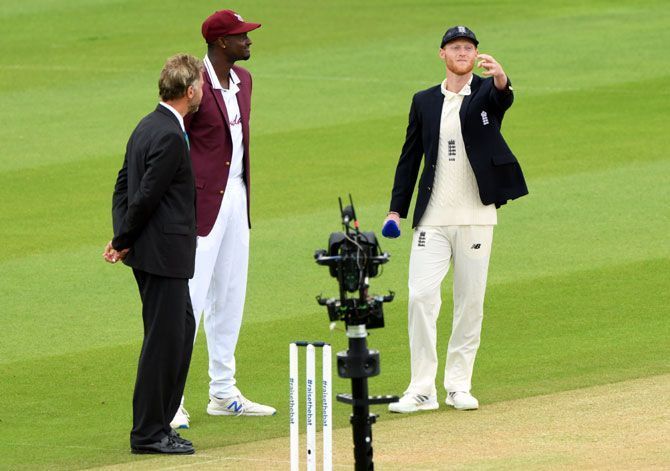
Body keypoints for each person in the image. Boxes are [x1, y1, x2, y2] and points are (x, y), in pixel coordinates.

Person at [383, 26, 528, 413]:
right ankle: (421, 388)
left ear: (475, 54)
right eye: (455, 47)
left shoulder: (483, 93)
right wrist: (396, 209)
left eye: (469, 48)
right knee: (419, 297)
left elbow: (502, 98)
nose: (462, 52)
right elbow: (409, 157)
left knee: (469, 302)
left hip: (476, 216)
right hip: (431, 217)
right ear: (442, 54)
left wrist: (500, 77)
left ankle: (458, 384)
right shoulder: (424, 100)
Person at [170, 9, 274, 429]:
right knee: (190, 302)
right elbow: (171, 135)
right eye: (241, 37)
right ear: (220, 43)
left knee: (231, 294)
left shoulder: (244, 80)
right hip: (198, 205)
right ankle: (171, 398)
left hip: (236, 197)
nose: (248, 41)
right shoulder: (193, 84)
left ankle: (223, 391)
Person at [103, 53, 204, 453]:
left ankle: (160, 425)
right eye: (200, 85)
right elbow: (143, 195)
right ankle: (148, 433)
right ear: (190, 90)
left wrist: (122, 236)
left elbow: (122, 187)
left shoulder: (148, 125)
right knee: (164, 341)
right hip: (163, 254)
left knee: (180, 333)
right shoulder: (166, 134)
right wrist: (123, 238)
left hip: (155, 252)